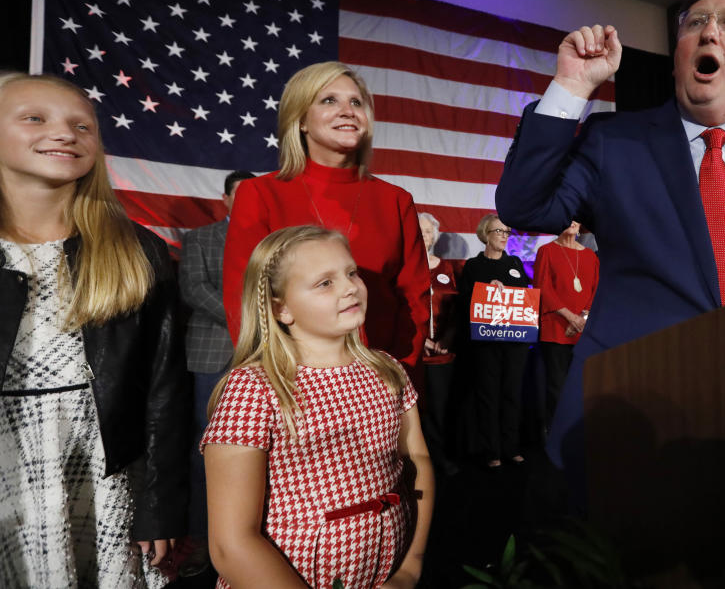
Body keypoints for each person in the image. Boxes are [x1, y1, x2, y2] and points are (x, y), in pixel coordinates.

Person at [496, 0, 725, 494]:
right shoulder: (614, 140)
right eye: (695, 22)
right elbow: (524, 205)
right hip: (627, 411)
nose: (709, 32)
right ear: (678, 54)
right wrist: (573, 88)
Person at [0, 72, 189, 586]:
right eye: (35, 118)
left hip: (103, 475)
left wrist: (159, 506)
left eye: (82, 126)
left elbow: (164, 391)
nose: (65, 133)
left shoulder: (136, 251)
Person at [202, 225, 433, 588]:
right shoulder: (255, 388)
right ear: (281, 309)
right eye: (324, 283)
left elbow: (417, 461)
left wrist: (409, 570)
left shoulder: (388, 371)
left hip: (385, 573)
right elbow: (231, 545)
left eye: (351, 272)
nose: (349, 287)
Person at [223, 62, 430, 386]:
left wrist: (399, 373)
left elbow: (414, 300)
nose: (347, 111)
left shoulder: (396, 200)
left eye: (356, 102)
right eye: (329, 100)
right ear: (301, 119)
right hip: (290, 383)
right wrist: (276, 379)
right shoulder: (259, 193)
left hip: (381, 382)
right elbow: (244, 297)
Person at [178, 169, 255, 575]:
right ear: (225, 199)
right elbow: (193, 289)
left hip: (264, 359)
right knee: (206, 453)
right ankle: (203, 543)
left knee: (259, 453)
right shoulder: (200, 239)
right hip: (213, 357)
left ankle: (249, 541)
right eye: (238, 195)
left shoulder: (272, 242)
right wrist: (245, 322)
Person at [457, 214, 532, 468]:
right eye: (498, 231)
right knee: (488, 395)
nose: (503, 235)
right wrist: (487, 290)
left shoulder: (515, 263)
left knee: (512, 393)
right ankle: (492, 451)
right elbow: (464, 301)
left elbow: (524, 297)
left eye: (506, 231)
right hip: (486, 342)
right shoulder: (473, 266)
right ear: (485, 234)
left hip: (514, 342)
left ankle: (511, 447)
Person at [532, 221, 599, 431]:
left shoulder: (590, 255)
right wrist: (571, 317)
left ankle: (580, 433)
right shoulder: (547, 251)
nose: (571, 222)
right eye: (566, 218)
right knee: (556, 387)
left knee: (583, 386)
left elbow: (596, 290)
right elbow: (542, 287)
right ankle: (555, 435)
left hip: (584, 331)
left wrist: (583, 317)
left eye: (575, 219)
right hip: (556, 329)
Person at [417, 211, 462, 477]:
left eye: (429, 231)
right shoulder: (405, 267)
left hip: (443, 353)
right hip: (415, 353)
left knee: (441, 409)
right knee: (416, 411)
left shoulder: (447, 269)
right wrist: (419, 340)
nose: (425, 236)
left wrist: (447, 338)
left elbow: (457, 309)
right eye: (420, 231)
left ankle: (439, 458)